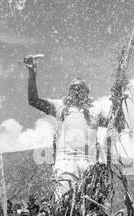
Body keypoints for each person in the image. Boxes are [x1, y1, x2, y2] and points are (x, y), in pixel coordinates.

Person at [24, 55, 110, 200]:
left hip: (89, 163)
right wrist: (32, 73)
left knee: (89, 206)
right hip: (65, 161)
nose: (77, 91)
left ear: (87, 92)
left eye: (81, 88)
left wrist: (119, 103)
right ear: (69, 91)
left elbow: (116, 124)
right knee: (64, 205)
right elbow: (33, 100)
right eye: (73, 88)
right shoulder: (60, 106)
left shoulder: (96, 110)